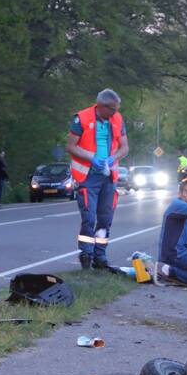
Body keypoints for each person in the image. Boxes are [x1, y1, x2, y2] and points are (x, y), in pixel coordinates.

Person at [66, 89, 130, 269]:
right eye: (112, 109)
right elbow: (71, 146)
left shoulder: (117, 119)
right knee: (89, 217)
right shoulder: (82, 118)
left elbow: (125, 147)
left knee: (105, 218)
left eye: (117, 109)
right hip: (88, 177)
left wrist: (113, 158)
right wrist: (92, 157)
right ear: (102, 106)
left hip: (108, 176)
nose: (115, 113)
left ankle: (100, 256)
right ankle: (86, 254)